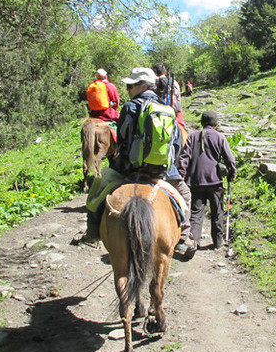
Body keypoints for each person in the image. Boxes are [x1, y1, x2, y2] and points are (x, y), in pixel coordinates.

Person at [80, 67, 190, 252]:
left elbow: (122, 140)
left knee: (96, 190)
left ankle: (92, 232)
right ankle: (184, 238)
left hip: (130, 170)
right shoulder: (167, 110)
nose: (128, 89)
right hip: (163, 172)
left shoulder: (130, 107)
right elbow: (176, 145)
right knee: (185, 194)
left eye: (131, 85)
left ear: (141, 86)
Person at [177, 110, 236, 257]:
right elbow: (229, 158)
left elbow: (185, 156)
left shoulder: (193, 136)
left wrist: (182, 173)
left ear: (202, 123)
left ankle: (194, 242)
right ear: (215, 124)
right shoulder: (220, 137)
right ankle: (218, 242)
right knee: (217, 211)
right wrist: (232, 172)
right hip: (215, 180)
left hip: (195, 180)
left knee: (196, 214)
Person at [153, 62, 184, 128]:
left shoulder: (150, 83)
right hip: (173, 110)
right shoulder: (173, 82)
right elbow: (178, 99)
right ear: (165, 72)